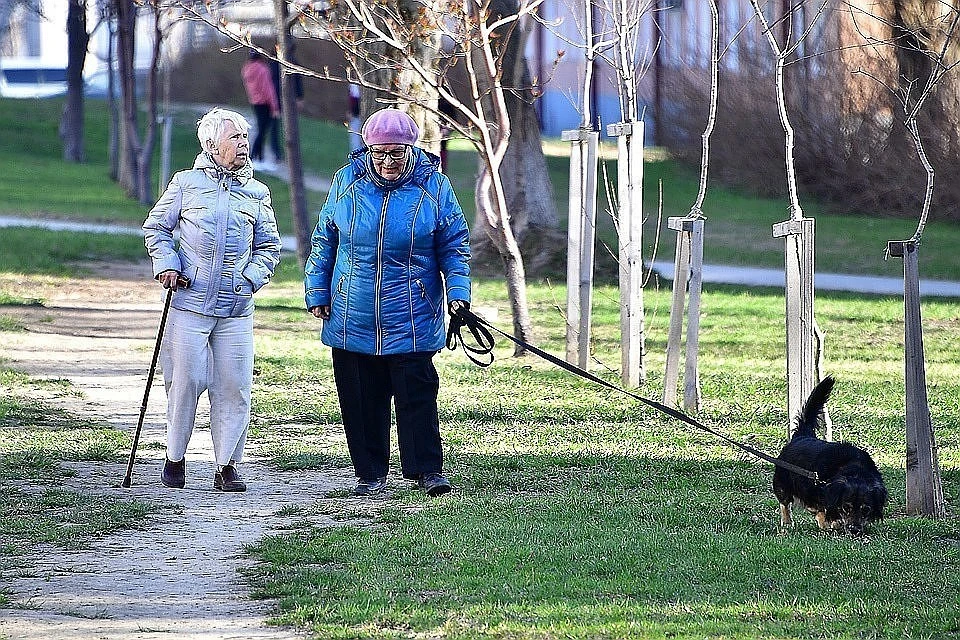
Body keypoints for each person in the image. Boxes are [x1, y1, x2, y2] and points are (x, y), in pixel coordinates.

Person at [304, 108, 471, 497]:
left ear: (411, 148)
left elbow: (454, 245)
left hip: (412, 309)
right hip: (352, 308)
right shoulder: (346, 181)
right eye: (378, 153)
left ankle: (426, 470)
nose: (386, 162)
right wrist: (317, 289)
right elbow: (324, 238)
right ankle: (369, 473)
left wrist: (459, 294)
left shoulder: (434, 186)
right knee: (360, 396)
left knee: (417, 393)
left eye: (396, 153)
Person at [143, 107, 282, 493]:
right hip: (189, 304)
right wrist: (167, 264)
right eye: (234, 138)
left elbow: (269, 246)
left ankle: (227, 465)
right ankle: (175, 457)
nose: (243, 144)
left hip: (236, 310)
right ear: (211, 145)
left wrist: (250, 278)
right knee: (185, 382)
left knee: (234, 386)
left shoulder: (257, 192)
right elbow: (156, 228)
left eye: (244, 137)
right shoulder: (186, 184)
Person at [241, 50, 281, 168]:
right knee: (263, 130)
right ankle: (254, 155)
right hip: (265, 103)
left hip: (255, 102)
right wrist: (275, 106)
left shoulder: (246, 69)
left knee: (260, 128)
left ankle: (258, 155)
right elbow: (268, 89)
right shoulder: (263, 69)